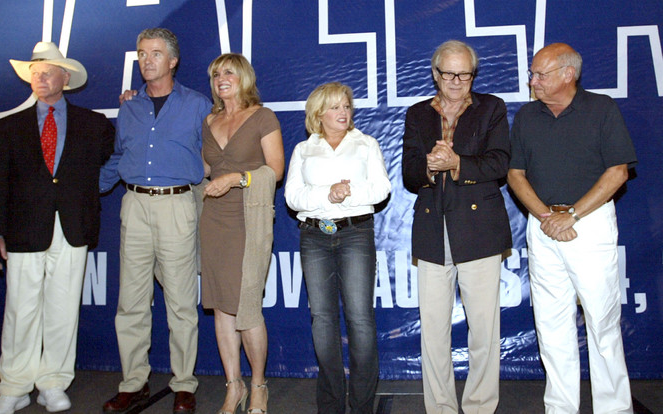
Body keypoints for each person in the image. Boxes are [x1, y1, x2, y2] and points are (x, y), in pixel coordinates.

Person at [0, 41, 115, 414]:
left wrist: (131, 104)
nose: (40, 77)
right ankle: (14, 386)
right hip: (23, 230)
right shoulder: (10, 127)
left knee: (62, 309)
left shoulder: (94, 125)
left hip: (72, 228)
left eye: (47, 71)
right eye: (34, 73)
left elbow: (117, 157)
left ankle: (54, 382)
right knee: (20, 309)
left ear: (66, 77)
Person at [508, 43, 636, 413]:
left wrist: (573, 215)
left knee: (602, 323)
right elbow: (515, 174)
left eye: (540, 74)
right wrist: (548, 217)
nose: (533, 81)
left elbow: (618, 171)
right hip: (544, 226)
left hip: (590, 225)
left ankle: (614, 408)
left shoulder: (602, 108)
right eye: (532, 74)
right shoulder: (528, 117)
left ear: (569, 74)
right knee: (550, 324)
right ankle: (560, 408)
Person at [99, 28, 211, 414]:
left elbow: (214, 156)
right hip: (134, 206)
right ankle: (134, 383)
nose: (147, 60)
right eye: (142, 53)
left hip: (177, 204)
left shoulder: (198, 105)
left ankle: (183, 384)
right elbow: (119, 158)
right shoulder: (128, 107)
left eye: (156, 53)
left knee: (180, 301)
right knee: (131, 301)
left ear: (173, 61)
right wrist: (83, 190)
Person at [401, 40, 512, 414]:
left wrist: (455, 163)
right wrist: (429, 168)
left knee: (483, 331)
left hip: (480, 230)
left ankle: (481, 406)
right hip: (432, 233)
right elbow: (408, 173)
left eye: (463, 74)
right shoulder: (417, 114)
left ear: (473, 75)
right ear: (435, 73)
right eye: (448, 73)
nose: (455, 81)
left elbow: (499, 163)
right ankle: (441, 409)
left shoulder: (491, 108)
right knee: (432, 332)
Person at [285, 82, 391, 414]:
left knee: (360, 318)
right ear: (318, 114)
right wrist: (325, 195)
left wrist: (347, 193)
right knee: (322, 319)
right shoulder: (304, 149)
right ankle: (330, 404)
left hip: (356, 233)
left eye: (346, 105)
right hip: (314, 235)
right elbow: (292, 196)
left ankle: (361, 405)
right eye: (334, 107)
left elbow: (382, 189)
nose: (343, 112)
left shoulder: (366, 144)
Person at [201, 53, 284, 414]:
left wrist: (238, 178)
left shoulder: (263, 116)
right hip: (214, 220)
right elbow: (206, 170)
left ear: (244, 78)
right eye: (216, 74)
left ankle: (258, 385)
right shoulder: (208, 120)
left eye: (229, 73)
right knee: (222, 307)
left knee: (247, 306)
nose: (222, 78)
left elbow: (276, 170)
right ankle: (233, 386)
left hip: (248, 219)